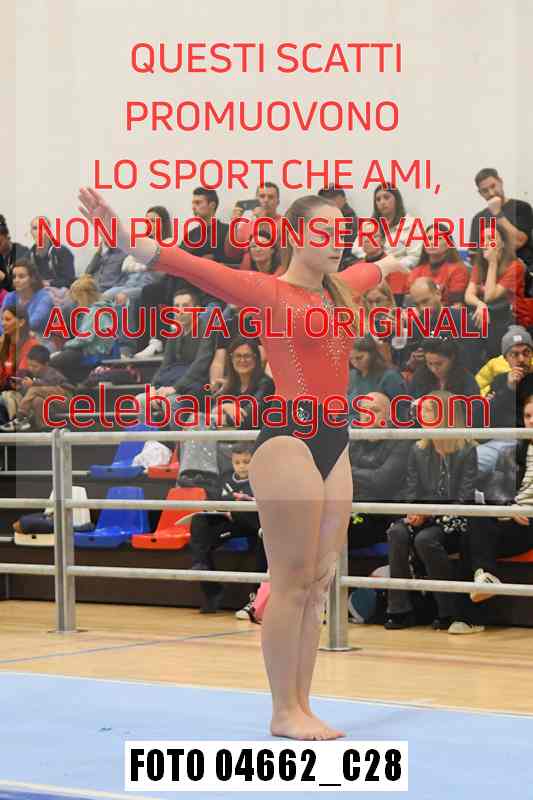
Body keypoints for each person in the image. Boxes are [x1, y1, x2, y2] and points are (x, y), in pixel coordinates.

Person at [78, 186, 405, 741]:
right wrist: (119, 232)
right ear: (296, 236)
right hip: (290, 441)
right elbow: (183, 263)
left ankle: (303, 704)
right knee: (292, 581)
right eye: (325, 233)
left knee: (319, 583)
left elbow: (379, 268)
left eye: (342, 234)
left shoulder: (342, 290)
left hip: (336, 440)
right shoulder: (267, 291)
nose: (337, 243)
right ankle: (283, 710)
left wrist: (397, 262)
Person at [385, 393, 481, 633]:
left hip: (453, 519)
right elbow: (411, 490)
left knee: (425, 539)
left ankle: (447, 610)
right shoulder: (418, 448)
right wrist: (413, 510)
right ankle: (399, 610)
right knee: (397, 532)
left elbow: (464, 497)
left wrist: (428, 513)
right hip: (423, 515)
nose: (422, 415)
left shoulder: (467, 449)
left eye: (428, 410)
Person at [464, 394, 533, 604]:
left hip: (529, 523)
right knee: (474, 520)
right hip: (510, 518)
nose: (531, 421)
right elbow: (495, 487)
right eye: (527, 416)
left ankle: (468, 613)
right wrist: (508, 505)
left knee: (472, 541)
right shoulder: (514, 450)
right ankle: (485, 580)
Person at [189, 443, 264, 614]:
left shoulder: (261, 479)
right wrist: (216, 508)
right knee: (198, 522)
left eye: (246, 462)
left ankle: (256, 597)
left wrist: (240, 506)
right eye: (237, 462)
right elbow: (214, 500)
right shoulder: (224, 478)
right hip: (228, 523)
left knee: (247, 517)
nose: (242, 466)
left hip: (252, 525)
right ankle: (209, 585)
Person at [465, 223, 532, 359]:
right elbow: (468, 295)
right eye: (483, 239)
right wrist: (480, 304)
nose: (486, 243)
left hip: (516, 319)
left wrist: (492, 262)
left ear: (503, 243)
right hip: (491, 314)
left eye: (491, 238)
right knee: (468, 323)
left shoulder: (515, 266)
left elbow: (490, 296)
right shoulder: (480, 264)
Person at [408, 336, 487, 428]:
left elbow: (475, 413)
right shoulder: (420, 377)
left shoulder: (466, 379)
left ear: (452, 358)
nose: (434, 369)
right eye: (430, 363)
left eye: (439, 364)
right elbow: (408, 407)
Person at [50, 275, 116, 383]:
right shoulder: (106, 309)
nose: (76, 303)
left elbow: (84, 339)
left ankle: (68, 384)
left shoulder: (94, 312)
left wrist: (66, 345)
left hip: (93, 351)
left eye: (76, 300)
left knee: (53, 361)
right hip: (101, 351)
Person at [469, 168, 533, 269]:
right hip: (492, 273)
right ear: (480, 193)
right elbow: (474, 256)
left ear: (500, 182)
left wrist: (497, 214)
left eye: (493, 186)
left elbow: (518, 242)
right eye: (485, 191)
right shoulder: (478, 219)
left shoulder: (521, 207)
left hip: (522, 270)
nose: (491, 193)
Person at [0, 344, 73, 431]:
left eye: (35, 366)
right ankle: (44, 428)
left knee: (34, 390)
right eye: (29, 365)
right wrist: (20, 387)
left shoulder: (51, 372)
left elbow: (50, 383)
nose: (31, 368)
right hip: (54, 401)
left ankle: (20, 417)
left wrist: (33, 383)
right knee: (37, 401)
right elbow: (34, 393)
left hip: (66, 397)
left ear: (46, 364)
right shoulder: (34, 374)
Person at [347, 336, 408, 423]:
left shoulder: (390, 377)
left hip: (381, 427)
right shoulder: (352, 375)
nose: (355, 363)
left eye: (359, 358)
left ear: (372, 354)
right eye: (351, 359)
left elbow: (402, 413)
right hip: (353, 426)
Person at [407, 223, 469, 306]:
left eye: (438, 238)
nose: (432, 242)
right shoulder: (417, 270)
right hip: (420, 312)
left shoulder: (458, 270)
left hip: (447, 312)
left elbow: (457, 306)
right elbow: (410, 302)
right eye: (429, 238)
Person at [0, 259, 54, 336]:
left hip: (41, 338)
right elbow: (1, 320)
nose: (16, 280)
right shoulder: (11, 296)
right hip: (13, 336)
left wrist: (8, 328)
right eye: (14, 277)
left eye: (21, 277)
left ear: (33, 278)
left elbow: (33, 323)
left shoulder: (45, 298)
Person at [29, 216, 75, 289]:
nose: (39, 231)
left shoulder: (62, 252)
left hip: (59, 292)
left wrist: (49, 283)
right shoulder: (28, 255)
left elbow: (70, 280)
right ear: (31, 232)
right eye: (35, 228)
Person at [317, 185, 357, 267]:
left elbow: (345, 251)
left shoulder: (349, 221)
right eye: (326, 199)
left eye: (332, 198)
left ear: (343, 199)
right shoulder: (325, 219)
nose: (329, 203)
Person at [0, 214, 29, 296]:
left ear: (7, 237)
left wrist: (3, 277)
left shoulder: (22, 253)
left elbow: (23, 287)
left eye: (0, 243)